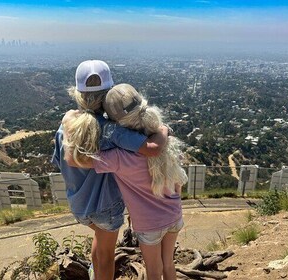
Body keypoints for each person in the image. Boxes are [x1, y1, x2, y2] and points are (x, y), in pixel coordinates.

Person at [52, 61, 168, 280]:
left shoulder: (64, 127)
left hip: (78, 205)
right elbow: (151, 149)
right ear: (108, 96)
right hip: (106, 206)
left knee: (100, 238)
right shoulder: (112, 131)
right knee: (106, 258)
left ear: (77, 94)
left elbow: (61, 162)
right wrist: (163, 130)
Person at [64, 83, 188, 280]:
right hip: (174, 214)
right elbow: (179, 180)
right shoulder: (165, 141)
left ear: (115, 122)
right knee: (168, 265)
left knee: (154, 271)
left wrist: (67, 125)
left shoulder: (119, 158)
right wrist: (163, 131)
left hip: (149, 224)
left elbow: (73, 159)